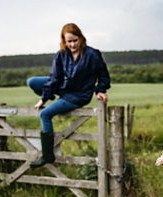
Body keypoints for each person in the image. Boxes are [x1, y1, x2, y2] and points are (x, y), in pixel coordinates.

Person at [26, 23, 111, 168]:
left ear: (81, 38)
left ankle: (47, 155)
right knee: (32, 81)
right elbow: (54, 78)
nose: (72, 44)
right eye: (69, 41)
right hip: (64, 87)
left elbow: (103, 75)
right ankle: (54, 101)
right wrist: (44, 98)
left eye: (75, 40)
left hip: (78, 95)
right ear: (64, 41)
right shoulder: (61, 54)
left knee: (45, 114)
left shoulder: (92, 54)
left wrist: (100, 90)